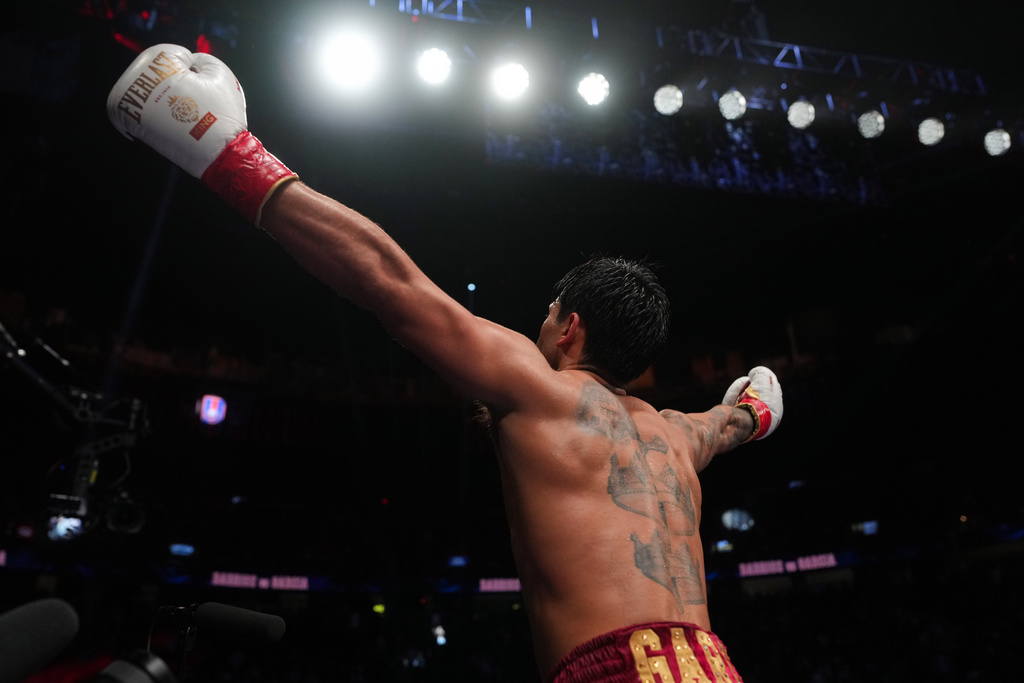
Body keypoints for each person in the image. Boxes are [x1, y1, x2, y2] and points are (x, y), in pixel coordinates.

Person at [108, 44, 783, 683]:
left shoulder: (541, 391)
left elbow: (388, 282)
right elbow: (734, 422)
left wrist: (230, 154)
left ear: (570, 327)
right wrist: (756, 410)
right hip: (715, 664)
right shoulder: (677, 437)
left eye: (548, 314)